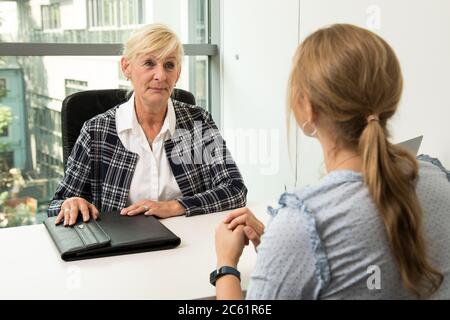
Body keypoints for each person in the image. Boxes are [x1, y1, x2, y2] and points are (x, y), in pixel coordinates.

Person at [213, 24, 450, 299]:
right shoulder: (439, 180)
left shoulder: (305, 221)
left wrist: (226, 266)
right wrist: (281, 253)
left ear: (308, 107)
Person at [48, 24, 247, 226]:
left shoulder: (198, 121)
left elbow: (235, 190)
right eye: (149, 63)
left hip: (188, 242)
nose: (160, 75)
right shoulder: (96, 131)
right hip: (122, 249)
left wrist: (175, 206)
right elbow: (56, 205)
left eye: (169, 65)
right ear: (126, 67)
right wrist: (70, 203)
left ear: (177, 74)